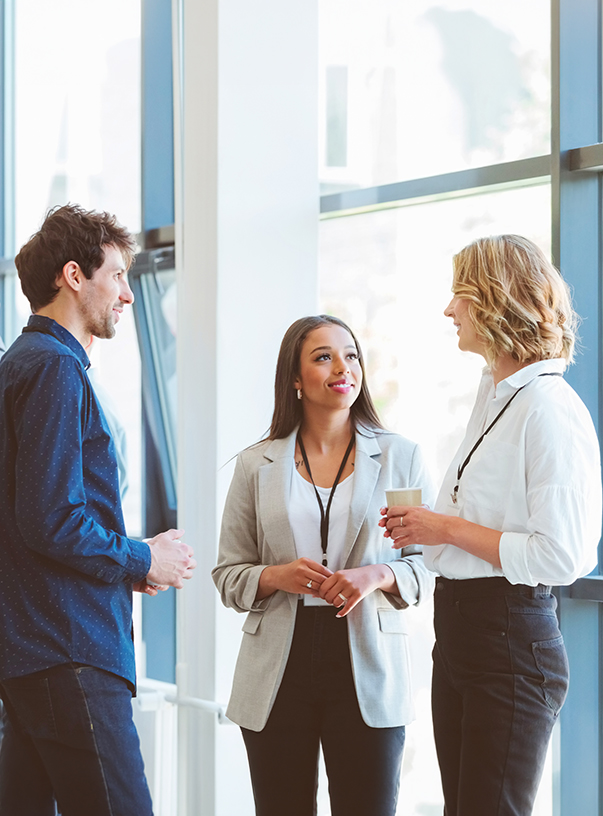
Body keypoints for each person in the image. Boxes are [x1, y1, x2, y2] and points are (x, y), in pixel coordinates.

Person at [382, 235, 602, 816]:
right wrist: (431, 527)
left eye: (459, 294)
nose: (448, 310)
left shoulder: (548, 409)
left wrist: (445, 530)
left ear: (495, 300)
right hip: (462, 631)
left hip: (509, 638)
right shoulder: (496, 400)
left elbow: (564, 555)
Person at [0, 204, 196, 816]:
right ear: (73, 276)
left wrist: (131, 567)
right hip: (69, 648)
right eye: (118, 276)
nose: (128, 296)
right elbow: (52, 520)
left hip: (34, 649)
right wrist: (142, 556)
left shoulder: (20, 367)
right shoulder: (56, 369)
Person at [212, 314, 434, 816]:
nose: (343, 367)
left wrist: (378, 574)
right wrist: (277, 576)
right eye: (323, 356)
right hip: (278, 665)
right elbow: (228, 575)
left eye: (351, 354)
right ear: (294, 378)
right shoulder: (256, 465)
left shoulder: (400, 457)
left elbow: (426, 565)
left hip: (366, 662)